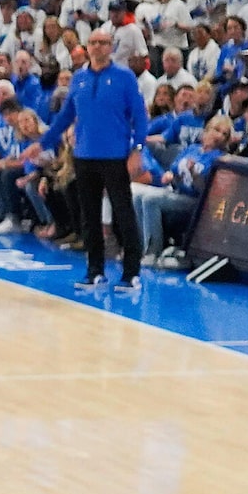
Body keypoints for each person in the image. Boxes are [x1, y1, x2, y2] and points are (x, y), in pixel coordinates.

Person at [52, 25, 147, 294]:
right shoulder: (78, 78)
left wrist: (137, 149)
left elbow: (139, 116)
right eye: (93, 42)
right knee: (89, 216)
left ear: (111, 47)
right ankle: (95, 271)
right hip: (84, 156)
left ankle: (131, 273)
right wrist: (44, 143)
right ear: (87, 47)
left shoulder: (124, 77)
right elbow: (66, 115)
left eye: (103, 43)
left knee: (123, 213)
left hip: (115, 156)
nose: (97, 47)